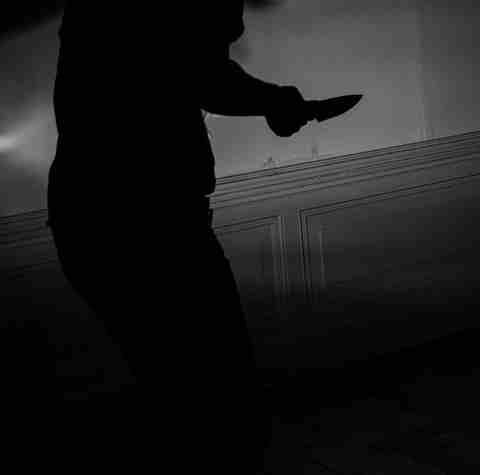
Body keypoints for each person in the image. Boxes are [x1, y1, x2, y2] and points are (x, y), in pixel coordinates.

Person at [46, 1, 348, 472]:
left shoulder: (106, 21)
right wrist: (275, 100)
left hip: (104, 220)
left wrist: (269, 99)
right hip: (149, 229)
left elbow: (198, 69)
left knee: (183, 395)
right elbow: (203, 73)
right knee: (221, 404)